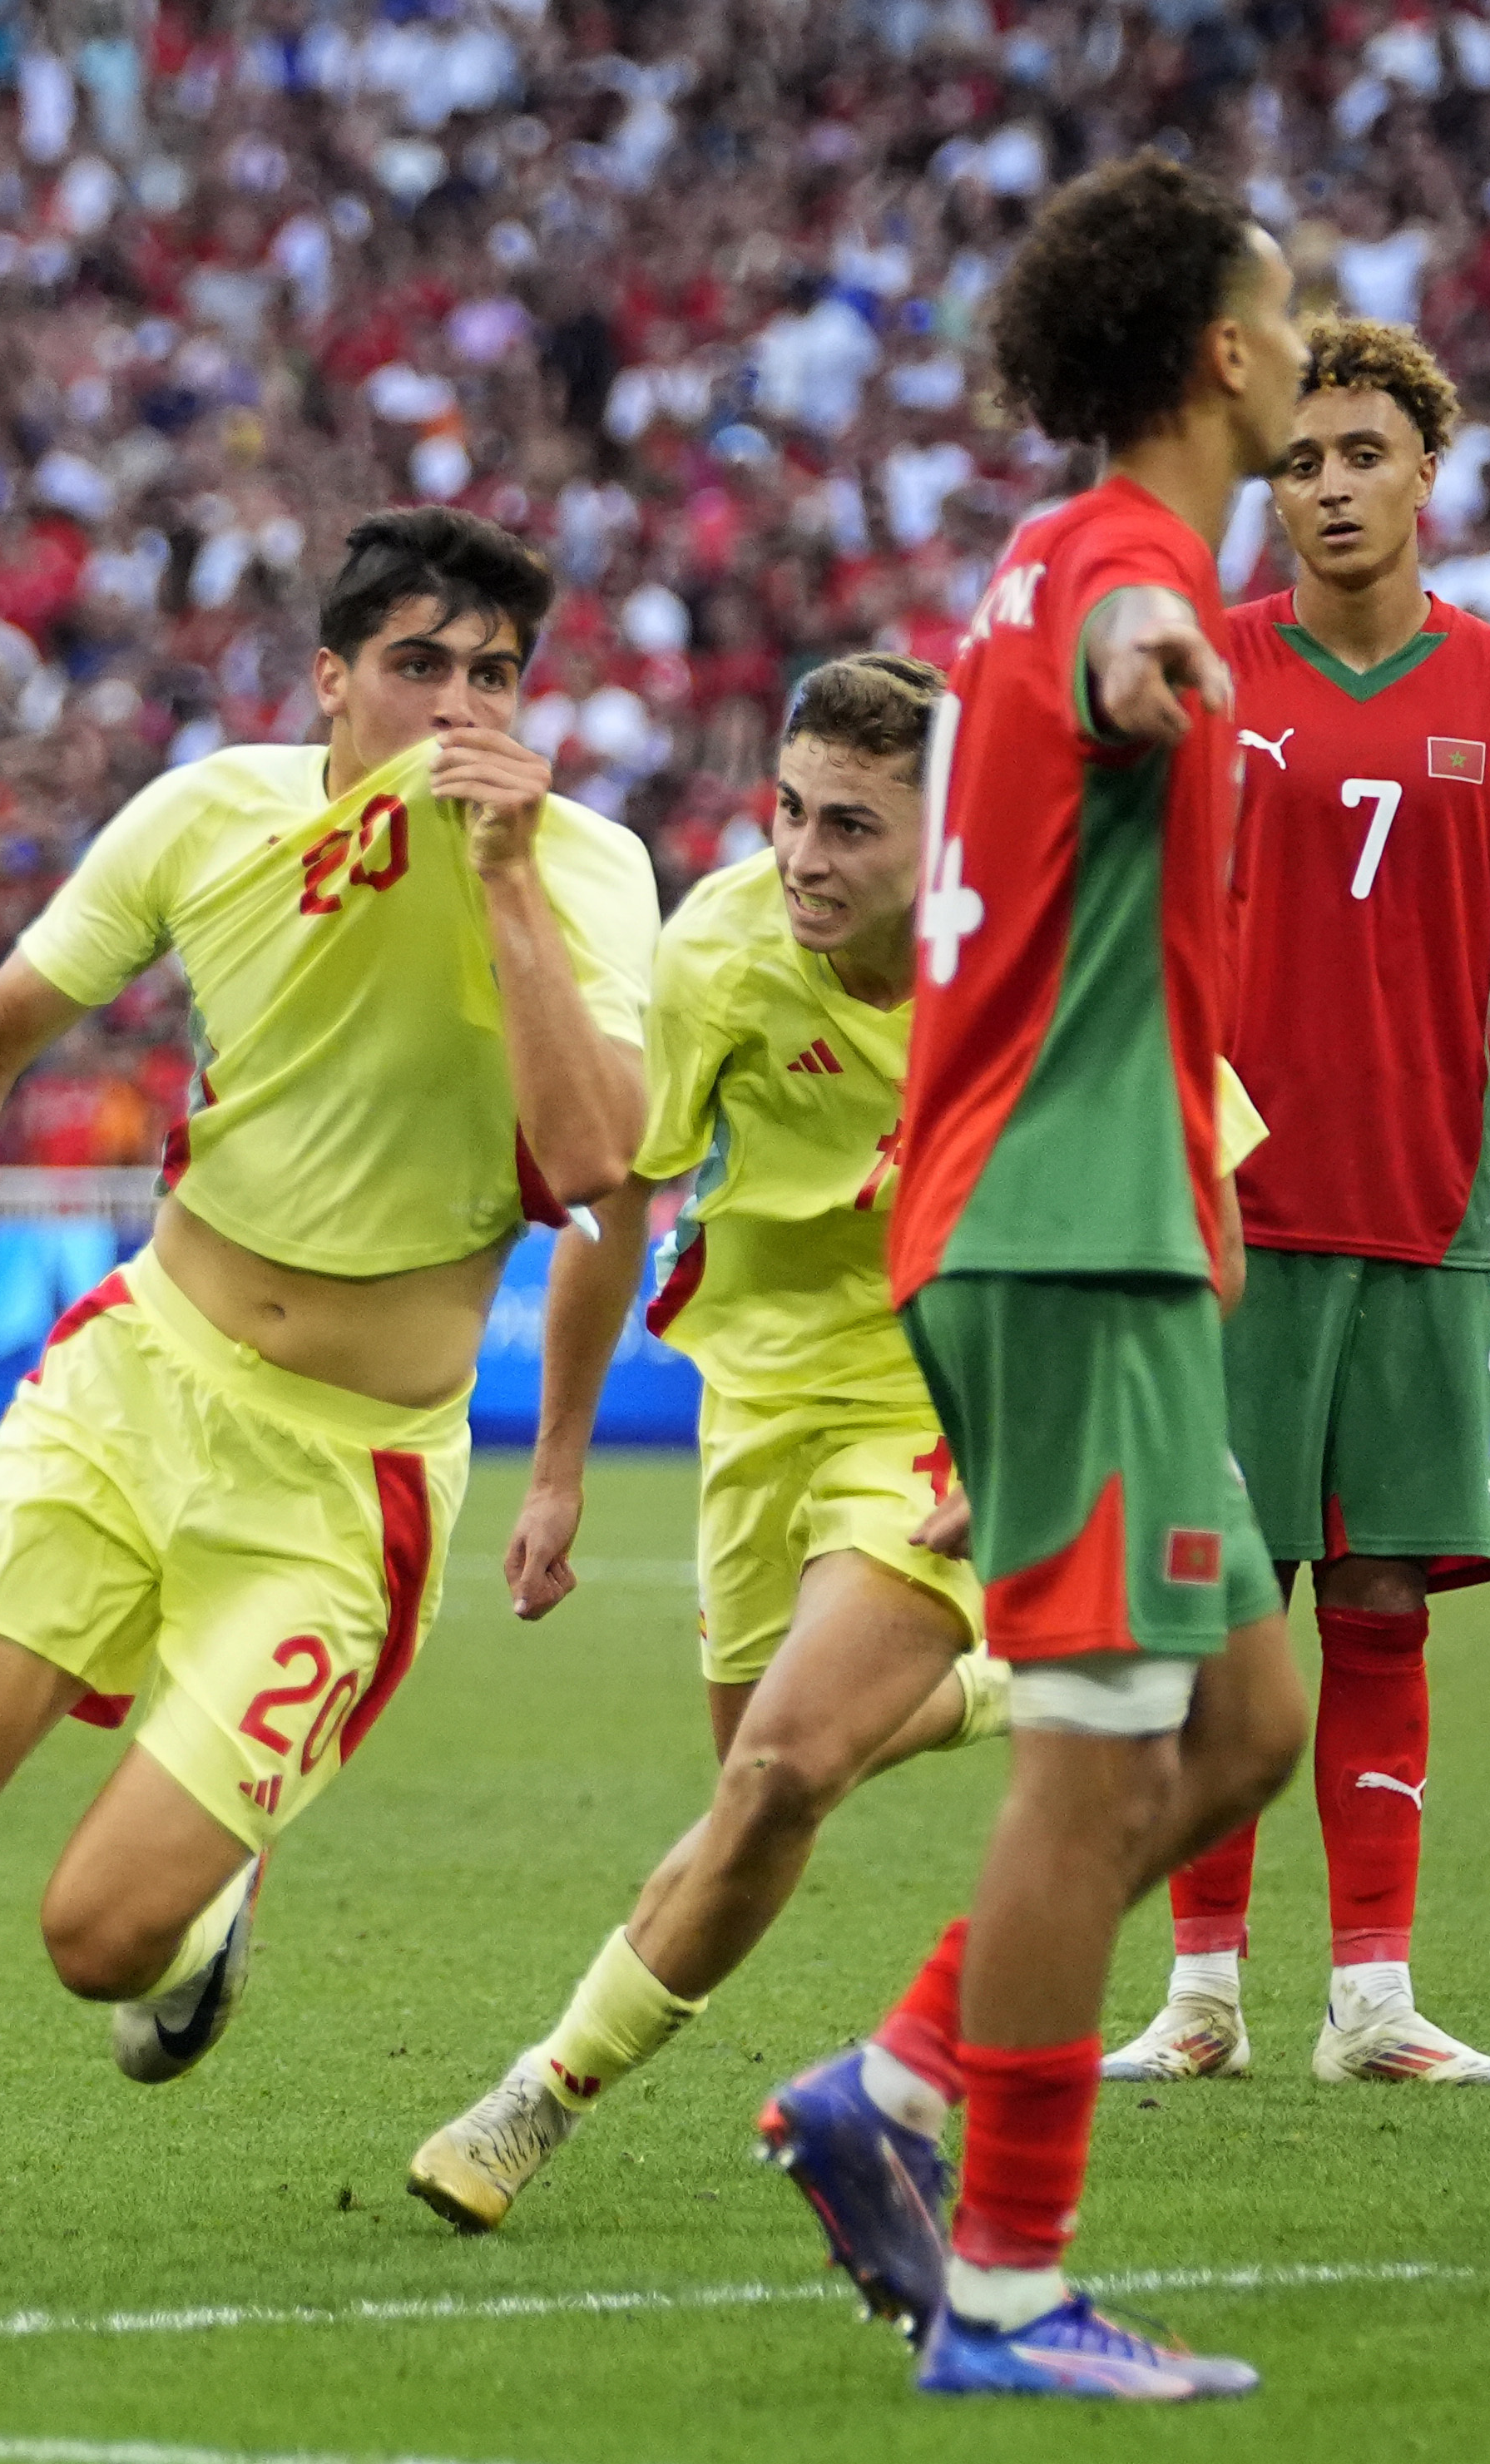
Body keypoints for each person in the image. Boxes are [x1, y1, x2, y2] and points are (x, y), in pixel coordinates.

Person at [0, 508, 660, 2300]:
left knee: (95, 1939)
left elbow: (601, 1162)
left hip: (344, 1477)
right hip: (137, 1375)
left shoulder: (589, 871)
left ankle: (200, 1913)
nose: (459, 705)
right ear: (330, 681)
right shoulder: (208, 813)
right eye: (418, 667)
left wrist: (504, 877)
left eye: (496, 674)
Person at [751, 154, 1313, 2401]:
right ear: (1213, 350)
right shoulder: (1120, 564)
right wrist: (1157, 662)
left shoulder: (1042, 552)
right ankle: (1000, 2292)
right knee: (1093, 1761)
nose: (1299, 341)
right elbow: (1116, 643)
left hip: (1079, 1225)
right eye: (1281, 310)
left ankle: (886, 2085)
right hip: (1061, 1231)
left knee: (1242, 1723)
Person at [405, 655, 1016, 2235]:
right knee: (758, 1792)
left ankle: (534, 2096)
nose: (803, 859)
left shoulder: (1041, 952)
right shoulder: (723, 943)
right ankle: (1005, 1685)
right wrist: (554, 1468)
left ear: (945, 837)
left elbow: (1187, 1180)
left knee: (779, 1770)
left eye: (852, 829)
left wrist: (1052, 1431)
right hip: (754, 1400)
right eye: (790, 813)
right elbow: (621, 1193)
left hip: (938, 1400)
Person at [1109, 319, 1490, 2091]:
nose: (1325, 487)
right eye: (1298, 462)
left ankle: (1374, 2001)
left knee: (1382, 1593)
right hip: (1221, 1218)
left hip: (1419, 1205)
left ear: (1427, 473)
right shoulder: (1202, 673)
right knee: (1219, 1598)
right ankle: (1197, 1994)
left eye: (1359, 457)